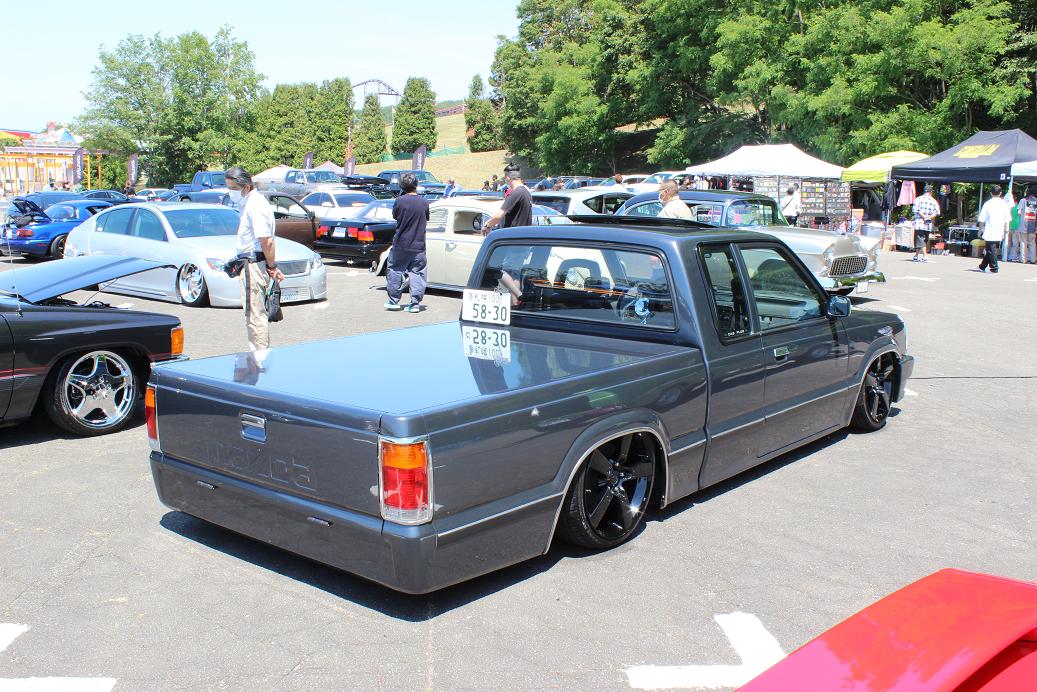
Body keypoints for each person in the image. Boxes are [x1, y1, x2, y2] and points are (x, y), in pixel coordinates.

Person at [225, 166, 285, 350]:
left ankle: (260, 358)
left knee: (255, 315)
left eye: (233, 188)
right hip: (252, 262)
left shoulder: (255, 205)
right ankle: (258, 355)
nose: (230, 192)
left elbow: (266, 240)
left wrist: (272, 267)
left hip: (253, 264)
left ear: (246, 187)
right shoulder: (251, 203)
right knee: (254, 313)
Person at [385, 173, 429, 312]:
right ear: (416, 184)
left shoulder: (399, 201)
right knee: (417, 273)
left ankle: (393, 301)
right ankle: (415, 304)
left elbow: (395, 216)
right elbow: (426, 217)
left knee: (395, 270)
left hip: (401, 243)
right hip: (419, 244)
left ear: (402, 186)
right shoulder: (424, 202)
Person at [977, 185, 1012, 274]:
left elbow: (982, 219)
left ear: (991, 193)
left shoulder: (988, 203)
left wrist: (980, 230)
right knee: (990, 248)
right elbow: (1007, 220)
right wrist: (1004, 231)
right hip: (999, 229)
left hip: (990, 229)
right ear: (1000, 193)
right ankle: (982, 266)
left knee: (991, 249)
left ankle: (994, 268)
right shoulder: (1004, 204)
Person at [911, 184, 940, 262]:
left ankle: (923, 256)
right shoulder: (934, 201)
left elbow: (916, 210)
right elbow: (937, 213)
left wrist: (924, 217)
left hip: (919, 223)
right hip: (928, 224)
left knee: (919, 240)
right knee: (924, 240)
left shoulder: (918, 199)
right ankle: (918, 255)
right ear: (931, 192)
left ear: (924, 191)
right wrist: (928, 218)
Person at [1013, 184, 1037, 264]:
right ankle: (1033, 259)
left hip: (1023, 225)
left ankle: (1023, 259)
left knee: (1023, 243)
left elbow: (1019, 212)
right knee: (1032, 243)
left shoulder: (1023, 200)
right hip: (1033, 226)